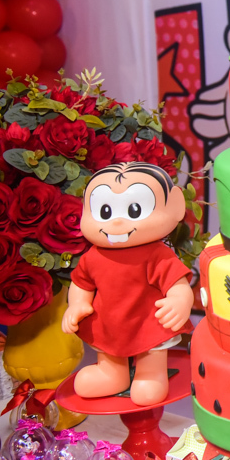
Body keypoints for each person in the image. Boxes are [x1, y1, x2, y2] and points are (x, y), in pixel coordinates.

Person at [61, 162, 194, 406]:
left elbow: (177, 283)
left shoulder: (157, 254)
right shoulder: (93, 256)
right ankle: (111, 375)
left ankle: (151, 375)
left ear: (174, 208)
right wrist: (77, 305)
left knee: (150, 354)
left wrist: (179, 301)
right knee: (108, 350)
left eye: (134, 210)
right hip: (109, 322)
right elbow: (82, 283)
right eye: (104, 212)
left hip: (147, 322)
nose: (117, 223)